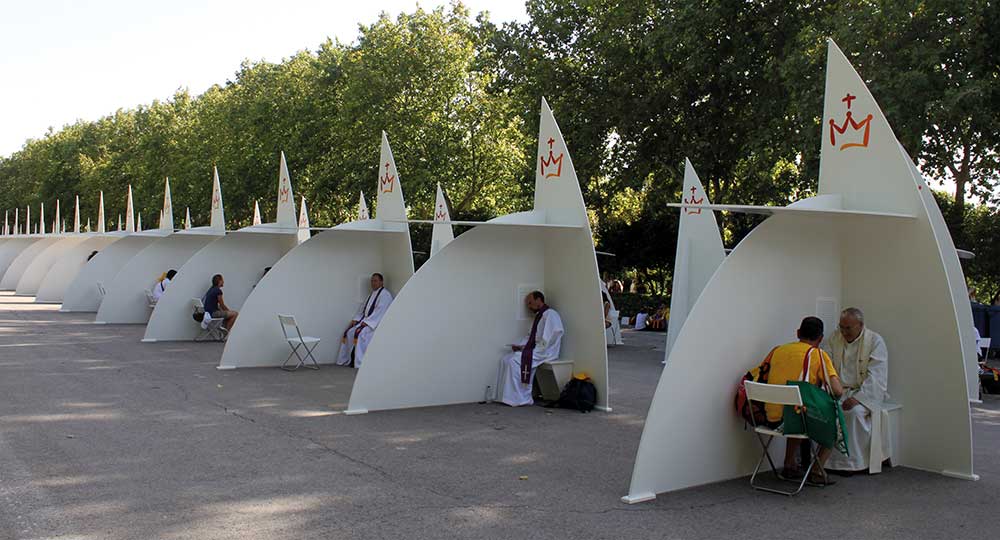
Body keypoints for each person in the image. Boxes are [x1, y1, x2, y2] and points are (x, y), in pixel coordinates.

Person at [762, 316, 844, 484]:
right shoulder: (818, 355)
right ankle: (817, 471)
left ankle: (789, 464)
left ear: (798, 333)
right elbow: (837, 391)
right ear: (820, 338)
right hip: (792, 421)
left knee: (796, 409)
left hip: (768, 417)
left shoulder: (777, 350)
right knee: (835, 423)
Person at [821, 307, 890, 474]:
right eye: (841, 327)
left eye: (848, 328)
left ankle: (852, 463)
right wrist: (830, 391)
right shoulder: (834, 338)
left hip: (863, 392)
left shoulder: (875, 341)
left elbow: (877, 376)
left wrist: (858, 398)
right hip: (837, 390)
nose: (844, 332)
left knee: (853, 413)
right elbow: (825, 366)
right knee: (825, 410)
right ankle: (826, 462)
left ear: (860, 325)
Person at [496, 291, 564, 406]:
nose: (529, 306)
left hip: (546, 351)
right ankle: (506, 397)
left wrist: (535, 349)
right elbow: (530, 336)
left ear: (539, 300)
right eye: (528, 304)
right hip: (536, 349)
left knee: (514, 361)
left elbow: (554, 334)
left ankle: (521, 398)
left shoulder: (550, 314)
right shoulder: (539, 316)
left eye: (530, 303)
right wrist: (522, 346)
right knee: (506, 359)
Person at [336, 273, 393, 368]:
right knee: (349, 332)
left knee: (361, 334)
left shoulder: (385, 295)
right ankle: (347, 359)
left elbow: (380, 312)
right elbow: (363, 309)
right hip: (367, 321)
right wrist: (356, 319)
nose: (373, 283)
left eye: (375, 281)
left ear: (381, 282)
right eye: (372, 281)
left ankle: (359, 362)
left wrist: (367, 322)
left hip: (375, 325)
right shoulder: (371, 295)